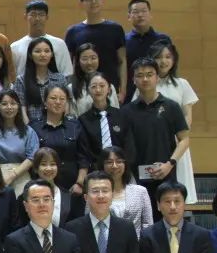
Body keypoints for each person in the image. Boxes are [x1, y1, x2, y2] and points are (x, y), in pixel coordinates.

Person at [133, 40, 199, 204]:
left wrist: (176, 139)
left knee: (177, 186)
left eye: (168, 57)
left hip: (176, 143)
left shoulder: (182, 84)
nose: (163, 61)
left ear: (174, 59)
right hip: (152, 143)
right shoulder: (144, 83)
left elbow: (187, 116)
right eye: (158, 57)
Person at [122, 57, 190, 212]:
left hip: (166, 175)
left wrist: (169, 164)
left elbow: (185, 139)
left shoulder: (171, 107)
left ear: (157, 77)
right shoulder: (126, 112)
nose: (145, 79)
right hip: (136, 180)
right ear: (133, 80)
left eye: (149, 74)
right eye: (140, 75)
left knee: (166, 217)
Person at [64, 0, 128, 101]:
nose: (93, 1)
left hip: (110, 91)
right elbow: (69, 65)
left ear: (103, 0)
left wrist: (123, 91)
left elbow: (122, 61)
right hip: (82, 94)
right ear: (81, 3)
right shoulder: (73, 32)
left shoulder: (115, 29)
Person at [76, 72, 135, 183]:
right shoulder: (83, 120)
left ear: (109, 89)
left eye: (102, 86)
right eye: (94, 86)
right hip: (96, 174)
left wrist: (122, 167)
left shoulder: (122, 116)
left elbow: (129, 147)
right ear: (88, 91)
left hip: (122, 171)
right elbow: (84, 151)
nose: (98, 90)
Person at [0, 88, 38, 195]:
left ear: (18, 106)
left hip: (21, 175)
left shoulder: (29, 131)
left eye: (13, 103)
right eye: (4, 104)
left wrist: (12, 175)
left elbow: (32, 157)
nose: (9, 107)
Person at [30, 84, 82, 192]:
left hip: (72, 186)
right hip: (41, 185)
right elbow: (30, 158)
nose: (58, 102)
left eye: (62, 99)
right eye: (53, 98)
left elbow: (83, 158)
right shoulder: (34, 127)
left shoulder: (75, 125)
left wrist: (79, 183)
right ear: (45, 102)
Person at [9, 0, 73, 76]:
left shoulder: (59, 44)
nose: (37, 18)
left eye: (41, 15)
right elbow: (11, 76)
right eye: (33, 14)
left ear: (47, 17)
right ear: (25, 17)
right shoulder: (15, 47)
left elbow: (67, 73)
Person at [98, 146, 152, 237]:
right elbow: (89, 222)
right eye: (109, 162)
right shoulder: (95, 193)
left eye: (119, 161)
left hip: (136, 243)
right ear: (102, 166)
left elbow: (148, 225)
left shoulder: (140, 191)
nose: (114, 166)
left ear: (125, 164)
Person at [15, 36, 70, 124]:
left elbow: (66, 103)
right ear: (30, 55)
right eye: (37, 51)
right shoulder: (21, 80)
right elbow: (21, 106)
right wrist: (28, 127)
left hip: (56, 126)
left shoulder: (60, 78)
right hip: (31, 126)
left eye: (47, 51)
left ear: (52, 54)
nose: (43, 55)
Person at [25, 147, 84, 228]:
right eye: (43, 164)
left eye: (52, 164)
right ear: (35, 168)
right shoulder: (26, 195)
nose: (49, 168)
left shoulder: (69, 196)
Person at [124, 0, 169, 104]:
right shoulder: (123, 41)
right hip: (130, 94)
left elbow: (170, 66)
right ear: (129, 16)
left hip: (160, 91)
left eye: (144, 11)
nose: (140, 15)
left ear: (150, 14)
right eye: (135, 12)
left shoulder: (163, 39)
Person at [68, 44, 118, 116]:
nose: (89, 62)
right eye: (84, 59)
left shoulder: (109, 86)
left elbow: (116, 114)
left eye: (93, 58)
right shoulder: (71, 88)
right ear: (78, 61)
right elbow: (72, 117)